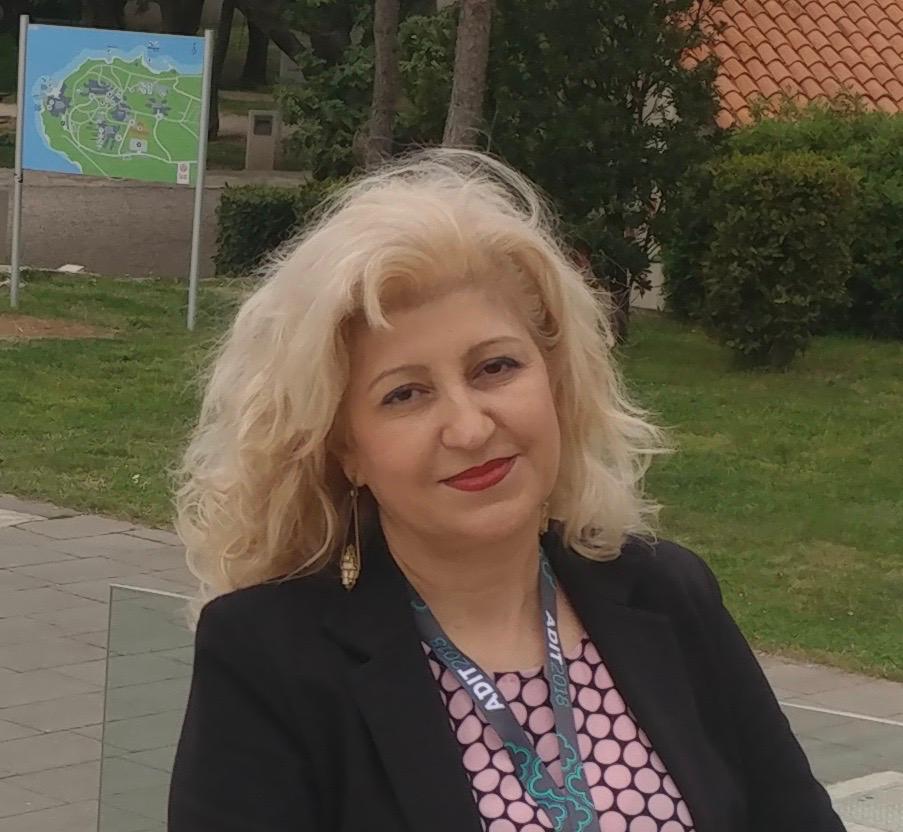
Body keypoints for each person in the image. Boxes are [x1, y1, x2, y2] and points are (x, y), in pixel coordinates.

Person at [167, 149, 845, 832]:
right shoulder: (269, 658)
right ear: (346, 450)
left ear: (555, 379)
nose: (468, 427)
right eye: (405, 394)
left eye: (494, 367)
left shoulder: (668, 594)